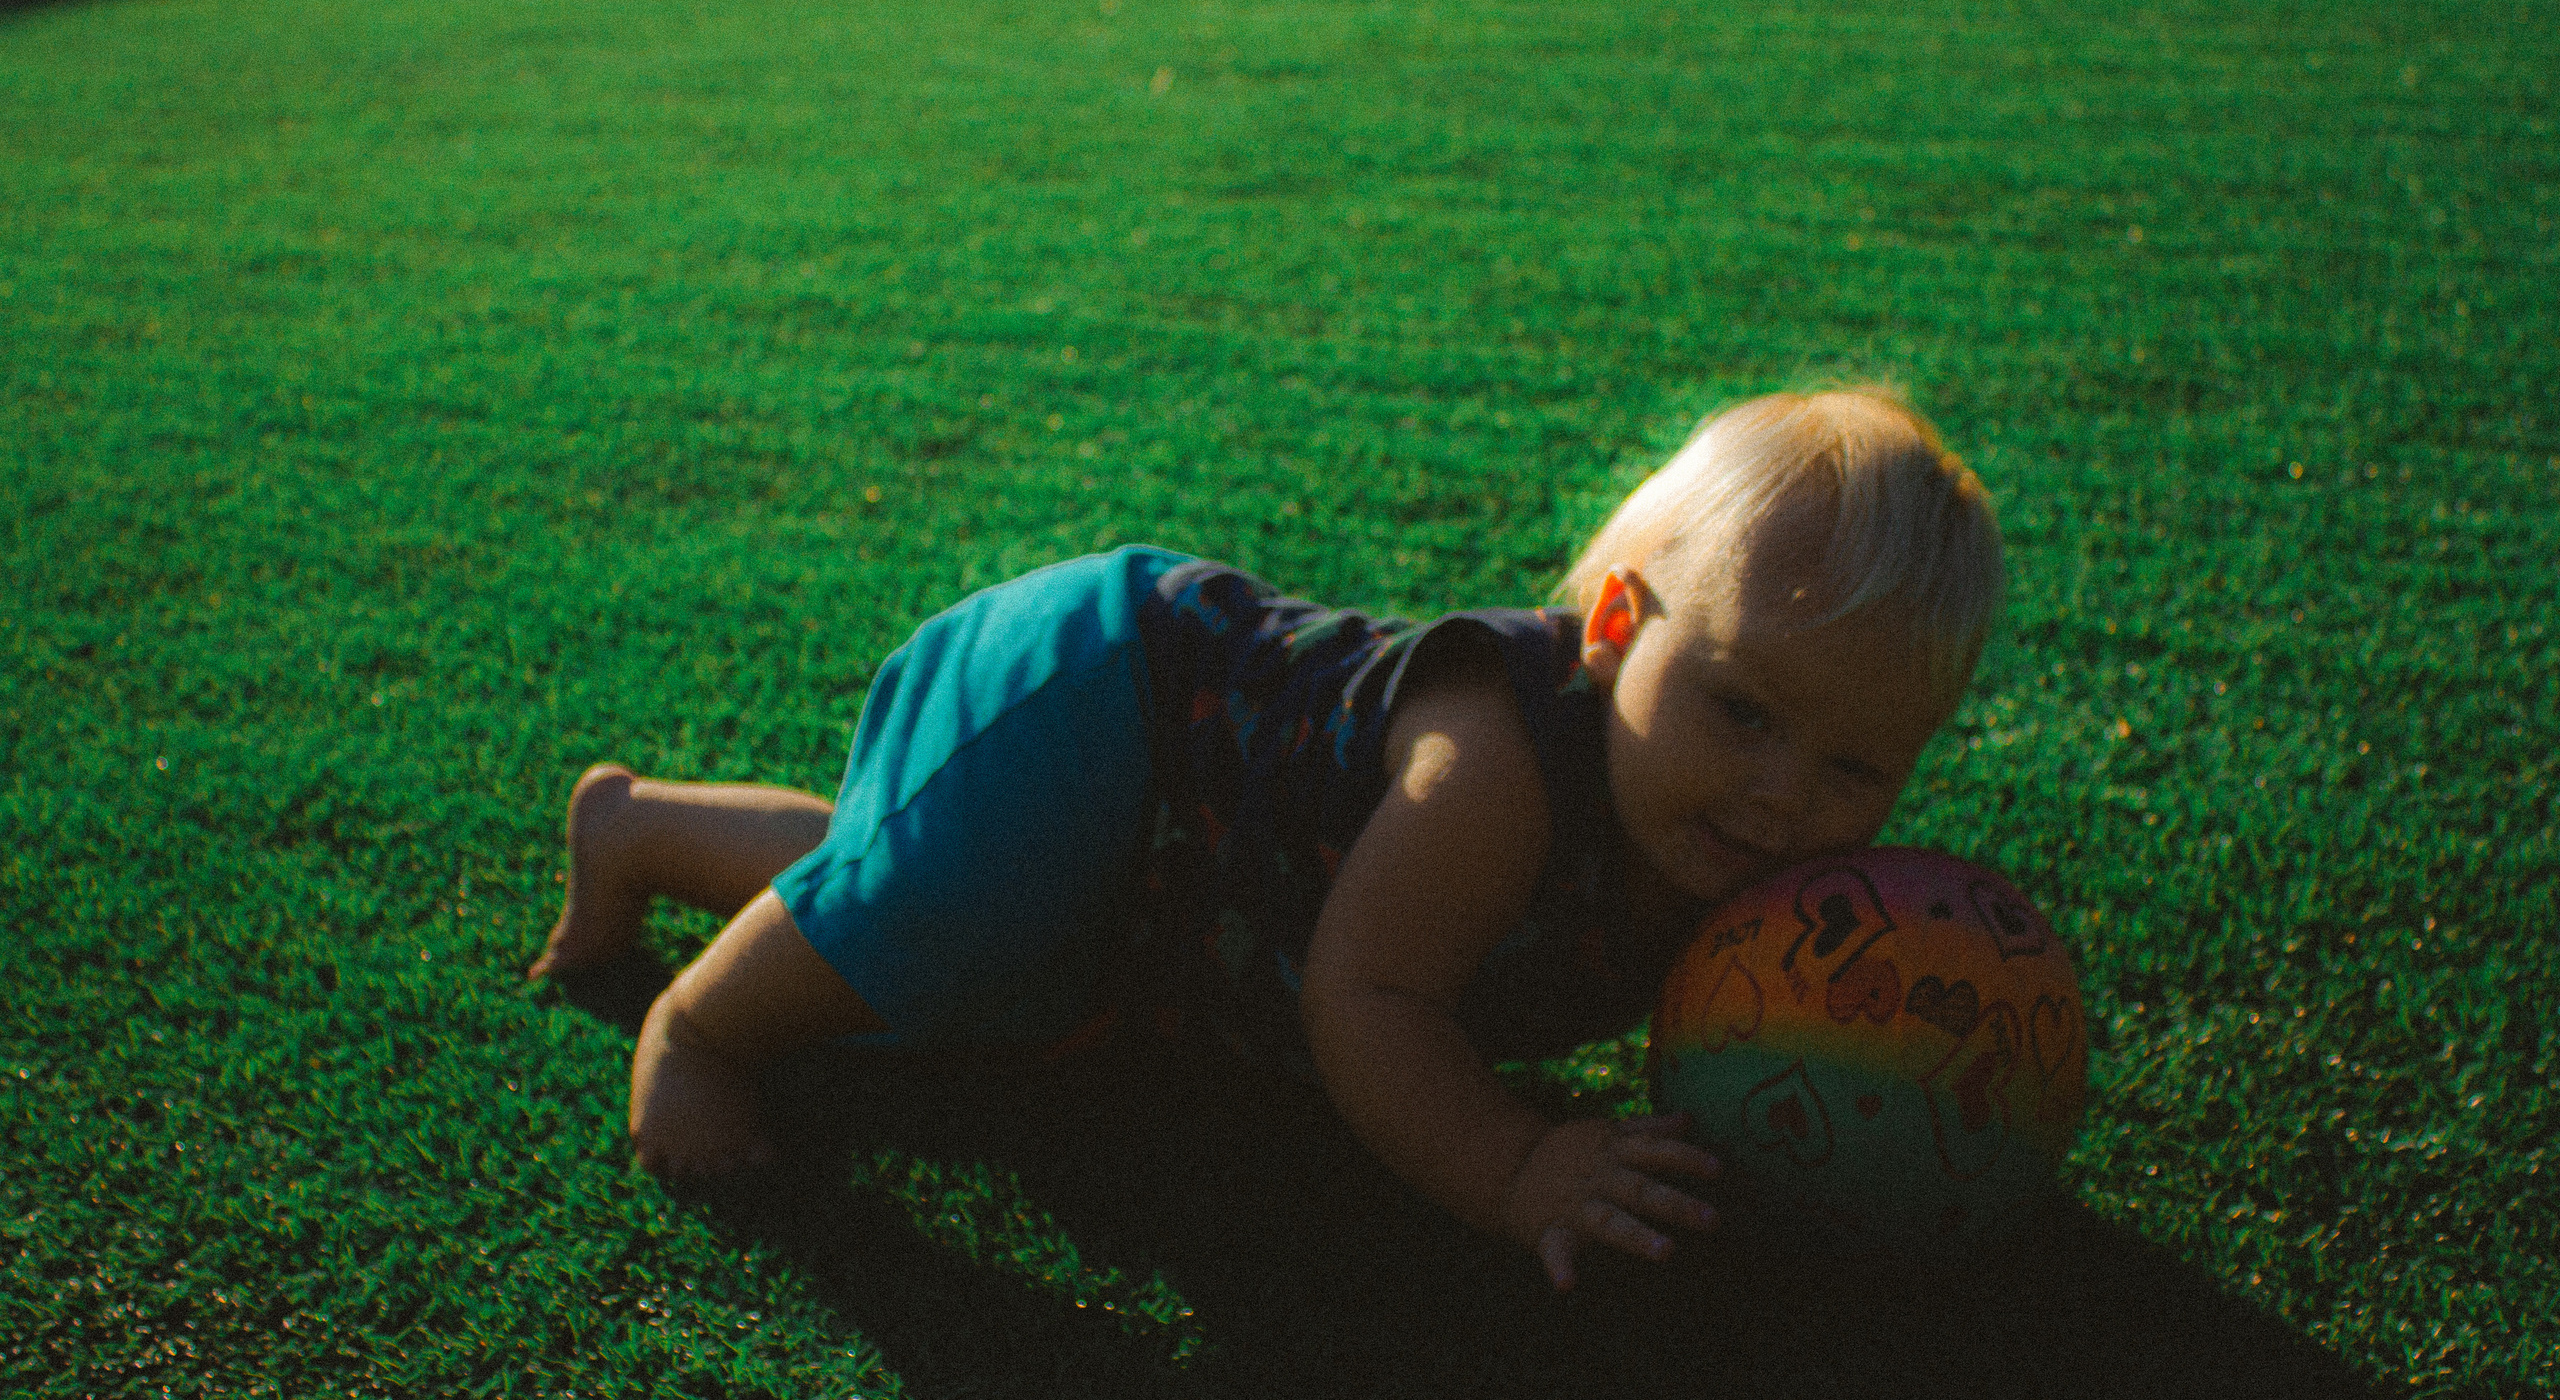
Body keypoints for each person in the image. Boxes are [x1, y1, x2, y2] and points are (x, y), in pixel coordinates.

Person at [528, 388, 2004, 1291]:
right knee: (938, 896)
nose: (1786, 796)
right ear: (1617, 632)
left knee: (988, 952)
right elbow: (1367, 995)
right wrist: (1509, 1167)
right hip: (1110, 697)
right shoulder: (1495, 771)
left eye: (1856, 761)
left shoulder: (1751, 854)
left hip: (1182, 883)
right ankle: (701, 1027)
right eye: (1742, 710)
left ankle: (642, 827)